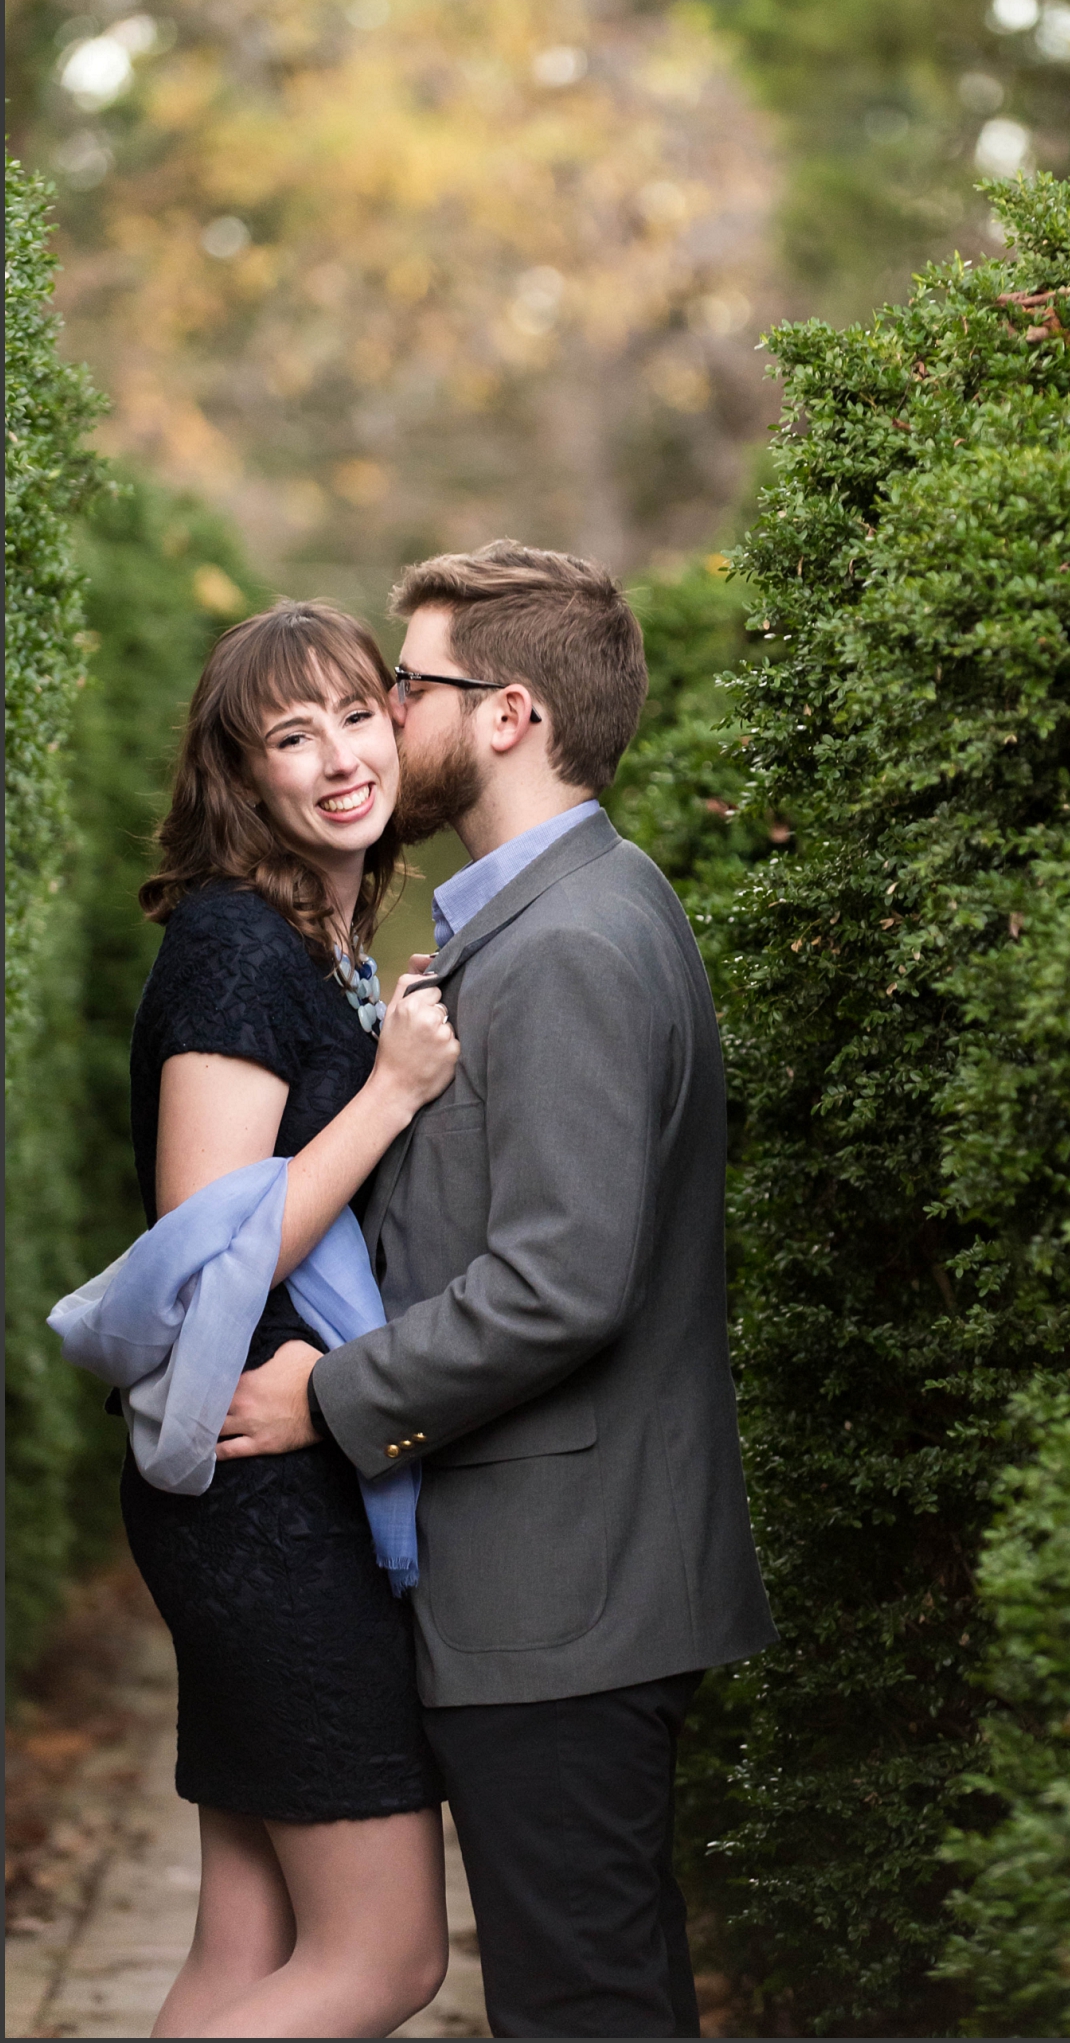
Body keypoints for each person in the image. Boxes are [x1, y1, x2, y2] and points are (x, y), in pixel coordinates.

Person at [221, 542, 778, 2041]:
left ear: (511, 712)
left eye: (408, 685)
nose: (386, 716)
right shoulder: (546, 914)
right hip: (563, 1587)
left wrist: (326, 1396)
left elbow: (561, 1284)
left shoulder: (578, 944)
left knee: (582, 2004)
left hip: (565, 1591)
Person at [120, 601, 461, 2039]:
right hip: (269, 1503)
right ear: (240, 777)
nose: (336, 758)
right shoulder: (236, 952)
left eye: (356, 716)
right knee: (385, 1962)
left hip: (279, 1486)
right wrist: (389, 1094)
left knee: (249, 1953)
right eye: (289, 734)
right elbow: (213, 1258)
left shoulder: (316, 949)